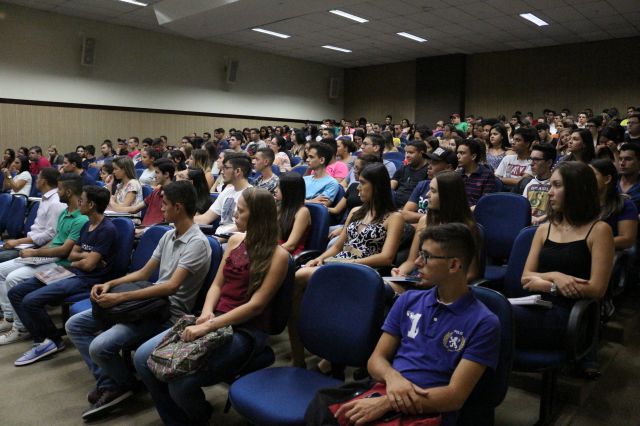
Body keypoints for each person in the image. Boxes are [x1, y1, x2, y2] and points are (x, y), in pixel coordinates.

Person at [132, 188, 287, 425]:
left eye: (241, 210)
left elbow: (256, 306)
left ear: (257, 216)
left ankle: (198, 417)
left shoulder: (278, 256)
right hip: (214, 318)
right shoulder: (235, 241)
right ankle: (176, 418)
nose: (234, 214)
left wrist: (208, 325)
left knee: (181, 383)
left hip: (245, 329)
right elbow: (216, 285)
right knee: (142, 359)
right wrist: (206, 313)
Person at [322, 223, 500, 426]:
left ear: (453, 265)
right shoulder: (408, 300)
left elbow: (454, 397)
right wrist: (393, 378)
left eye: (426, 256)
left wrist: (389, 403)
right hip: (387, 389)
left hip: (428, 409)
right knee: (324, 409)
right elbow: (376, 360)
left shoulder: (484, 323)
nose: (417, 262)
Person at [65, 181, 212, 419]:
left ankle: (124, 385)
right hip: (148, 303)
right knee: (75, 325)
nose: (160, 209)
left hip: (168, 312)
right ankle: (114, 382)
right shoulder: (169, 235)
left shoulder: (197, 243)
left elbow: (170, 287)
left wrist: (120, 296)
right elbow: (144, 273)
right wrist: (111, 284)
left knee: (99, 347)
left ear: (178, 207)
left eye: (164, 204)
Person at [291, 163, 404, 367]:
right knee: (299, 275)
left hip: (367, 270)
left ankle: (332, 351)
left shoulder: (394, 217)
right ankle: (299, 352)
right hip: (339, 262)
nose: (357, 188)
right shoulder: (356, 211)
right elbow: (337, 246)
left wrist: (351, 262)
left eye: (363, 183)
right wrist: (320, 258)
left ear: (377, 186)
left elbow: (387, 257)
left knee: (301, 277)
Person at [515, 162, 614, 378]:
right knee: (490, 315)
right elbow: (525, 277)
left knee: (495, 319)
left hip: (570, 316)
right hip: (536, 305)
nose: (549, 192)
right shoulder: (544, 229)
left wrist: (545, 284)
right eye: (550, 185)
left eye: (557, 185)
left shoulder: (599, 230)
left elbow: (596, 288)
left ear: (577, 189)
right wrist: (555, 278)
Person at [8, 186, 117, 363]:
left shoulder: (107, 229)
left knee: (31, 301)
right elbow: (72, 256)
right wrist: (85, 257)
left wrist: (83, 259)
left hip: (87, 279)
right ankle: (41, 338)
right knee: (16, 292)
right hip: (70, 271)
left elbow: (89, 266)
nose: (78, 203)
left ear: (91, 205)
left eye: (81, 200)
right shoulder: (87, 225)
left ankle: (52, 340)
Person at [0, 174, 88, 345]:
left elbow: (64, 251)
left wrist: (35, 254)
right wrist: (37, 252)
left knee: (13, 279)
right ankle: (11, 317)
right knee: (2, 271)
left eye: (60, 189)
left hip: (60, 263)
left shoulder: (81, 218)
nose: (57, 192)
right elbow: (55, 239)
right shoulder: (65, 212)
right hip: (48, 256)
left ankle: (20, 327)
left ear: (68, 192)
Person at [392, 171, 480, 292]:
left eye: (433, 191)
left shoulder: (467, 229)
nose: (427, 194)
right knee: (383, 287)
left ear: (447, 195)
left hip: (443, 287)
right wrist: (399, 274)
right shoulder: (424, 220)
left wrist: (435, 282)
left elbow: (470, 274)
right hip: (417, 278)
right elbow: (411, 261)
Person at [0, 168, 66, 263]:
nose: (36, 180)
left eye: (38, 177)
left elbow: (50, 235)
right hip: (28, 242)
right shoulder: (46, 198)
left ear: (43, 182)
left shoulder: (56, 203)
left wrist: (18, 241)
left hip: (36, 247)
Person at [327, 154, 382, 241]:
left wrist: (343, 229)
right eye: (353, 167)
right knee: (322, 230)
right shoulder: (353, 186)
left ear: (366, 170)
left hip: (362, 226)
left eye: (356, 168)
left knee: (333, 241)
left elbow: (370, 217)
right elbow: (336, 210)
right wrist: (316, 205)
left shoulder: (372, 192)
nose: (353, 171)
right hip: (346, 224)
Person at [195, 154, 252, 235]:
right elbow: (206, 218)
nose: (222, 171)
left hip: (231, 238)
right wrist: (181, 220)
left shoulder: (250, 195)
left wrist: (218, 238)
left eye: (226, 168)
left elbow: (242, 228)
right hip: (218, 236)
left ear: (238, 171)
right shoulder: (227, 191)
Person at [402, 147, 458, 225]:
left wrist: (421, 220)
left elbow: (445, 220)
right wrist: (427, 218)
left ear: (448, 167)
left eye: (434, 163)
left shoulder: (454, 189)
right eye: (430, 162)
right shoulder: (423, 184)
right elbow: (405, 214)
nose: (429, 166)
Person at [590, 159, 638, 250]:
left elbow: (627, 239)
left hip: (611, 254)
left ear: (607, 179)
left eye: (592, 175)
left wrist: (594, 243)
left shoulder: (625, 205)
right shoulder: (584, 203)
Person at [118, 159, 175, 228]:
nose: (154, 176)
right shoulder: (155, 192)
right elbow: (134, 209)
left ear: (166, 174)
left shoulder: (174, 194)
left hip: (157, 230)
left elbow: (168, 222)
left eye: (157, 173)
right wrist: (114, 208)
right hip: (143, 228)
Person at [276, 172, 311, 255]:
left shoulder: (302, 212)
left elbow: (290, 245)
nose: (275, 190)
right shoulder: (280, 207)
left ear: (289, 190)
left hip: (289, 254)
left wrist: (266, 252)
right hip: (277, 248)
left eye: (279, 187)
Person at [456, 139, 497, 208]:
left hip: (476, 212)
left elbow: (485, 202)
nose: (458, 156)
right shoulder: (457, 174)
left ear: (473, 156)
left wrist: (466, 211)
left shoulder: (487, 175)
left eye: (462, 153)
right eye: (457, 153)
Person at [522, 143, 557, 225]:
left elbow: (559, 210)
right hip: (528, 225)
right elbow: (522, 207)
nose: (531, 163)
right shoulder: (527, 183)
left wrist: (540, 218)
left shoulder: (557, 185)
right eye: (531, 159)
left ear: (549, 162)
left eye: (536, 160)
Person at [391, 140, 428, 207]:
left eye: (411, 152)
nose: (407, 155)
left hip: (410, 207)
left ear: (421, 153)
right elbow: (392, 184)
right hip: (394, 203)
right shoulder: (404, 168)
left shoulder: (428, 171)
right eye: (406, 152)